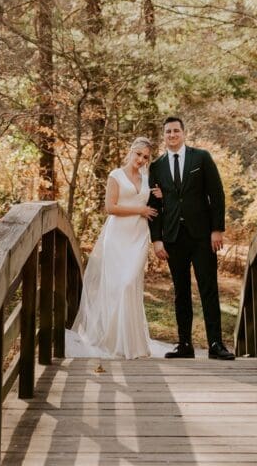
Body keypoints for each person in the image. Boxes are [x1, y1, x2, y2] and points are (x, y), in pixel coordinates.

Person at [65, 137, 168, 359]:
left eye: (145, 157)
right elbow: (110, 207)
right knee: (117, 286)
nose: (141, 160)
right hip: (118, 235)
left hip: (139, 235)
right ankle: (113, 340)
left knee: (130, 283)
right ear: (131, 151)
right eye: (138, 154)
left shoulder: (148, 178)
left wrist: (161, 195)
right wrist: (139, 210)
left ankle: (133, 343)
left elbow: (155, 206)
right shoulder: (116, 175)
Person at [148, 116, 235, 360]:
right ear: (163, 136)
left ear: (184, 133)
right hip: (174, 237)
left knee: (209, 289)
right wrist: (156, 239)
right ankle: (184, 344)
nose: (172, 135)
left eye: (176, 131)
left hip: (202, 236)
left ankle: (216, 344)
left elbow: (216, 195)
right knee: (181, 292)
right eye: (168, 132)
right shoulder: (157, 166)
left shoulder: (201, 158)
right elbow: (153, 205)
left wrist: (217, 229)